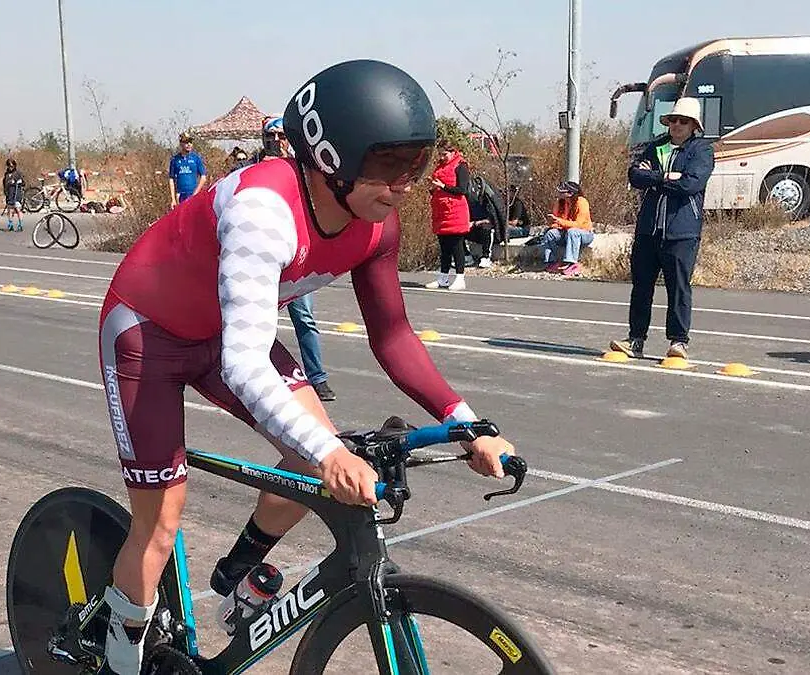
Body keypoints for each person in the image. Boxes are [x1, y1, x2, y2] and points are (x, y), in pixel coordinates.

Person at [96, 59, 516, 674]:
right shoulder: (264, 210)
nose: (404, 185)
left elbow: (394, 335)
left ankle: (237, 574)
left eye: (415, 165)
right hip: (147, 334)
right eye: (387, 165)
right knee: (161, 521)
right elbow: (244, 365)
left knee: (310, 448)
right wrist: (328, 454)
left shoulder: (376, 222)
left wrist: (467, 423)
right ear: (329, 158)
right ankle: (118, 651)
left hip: (226, 329)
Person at [611, 97, 714, 360]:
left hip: (681, 232)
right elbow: (635, 176)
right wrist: (666, 176)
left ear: (694, 126)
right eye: (674, 120)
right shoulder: (655, 146)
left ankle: (678, 341)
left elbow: (691, 184)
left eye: (684, 121)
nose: (677, 125)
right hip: (648, 229)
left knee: (678, 288)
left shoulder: (701, 151)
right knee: (641, 287)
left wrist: (654, 179)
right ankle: (636, 339)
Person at [258, 115, 336, 402]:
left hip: (297, 256)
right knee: (259, 321)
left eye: (281, 136)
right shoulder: (253, 168)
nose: (276, 141)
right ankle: (264, 378)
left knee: (304, 318)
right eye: (271, 136)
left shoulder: (302, 168)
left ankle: (318, 378)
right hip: (263, 257)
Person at [426, 138, 471, 290]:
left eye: (444, 154)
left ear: (452, 152)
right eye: (440, 154)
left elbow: (462, 190)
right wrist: (433, 188)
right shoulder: (440, 166)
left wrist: (443, 186)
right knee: (444, 247)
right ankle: (443, 277)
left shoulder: (461, 166)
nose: (442, 157)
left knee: (457, 246)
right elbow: (438, 188)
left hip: (455, 211)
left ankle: (460, 278)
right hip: (441, 211)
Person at [541, 180, 593, 276]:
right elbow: (558, 222)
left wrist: (559, 221)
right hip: (566, 232)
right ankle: (552, 262)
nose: (559, 193)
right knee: (550, 234)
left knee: (573, 232)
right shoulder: (560, 203)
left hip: (584, 234)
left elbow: (578, 225)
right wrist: (553, 224)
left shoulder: (581, 202)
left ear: (570, 193)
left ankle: (572, 263)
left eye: (562, 192)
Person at [167, 132, 207, 208]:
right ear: (181, 143)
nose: (189, 144)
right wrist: (173, 199)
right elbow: (171, 179)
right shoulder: (175, 160)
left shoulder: (196, 158)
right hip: (180, 195)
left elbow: (203, 177)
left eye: (190, 142)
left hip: (193, 194)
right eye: (186, 142)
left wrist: (195, 193)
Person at [2, 158, 24, 232]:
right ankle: (10, 224)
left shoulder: (18, 173)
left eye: (11, 166)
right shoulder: (6, 174)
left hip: (16, 193)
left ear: (14, 165)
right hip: (9, 194)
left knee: (18, 209)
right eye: (9, 166)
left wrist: (18, 182)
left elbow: (23, 183)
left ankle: (20, 225)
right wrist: (5, 192)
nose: (10, 167)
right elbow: (4, 184)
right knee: (10, 210)